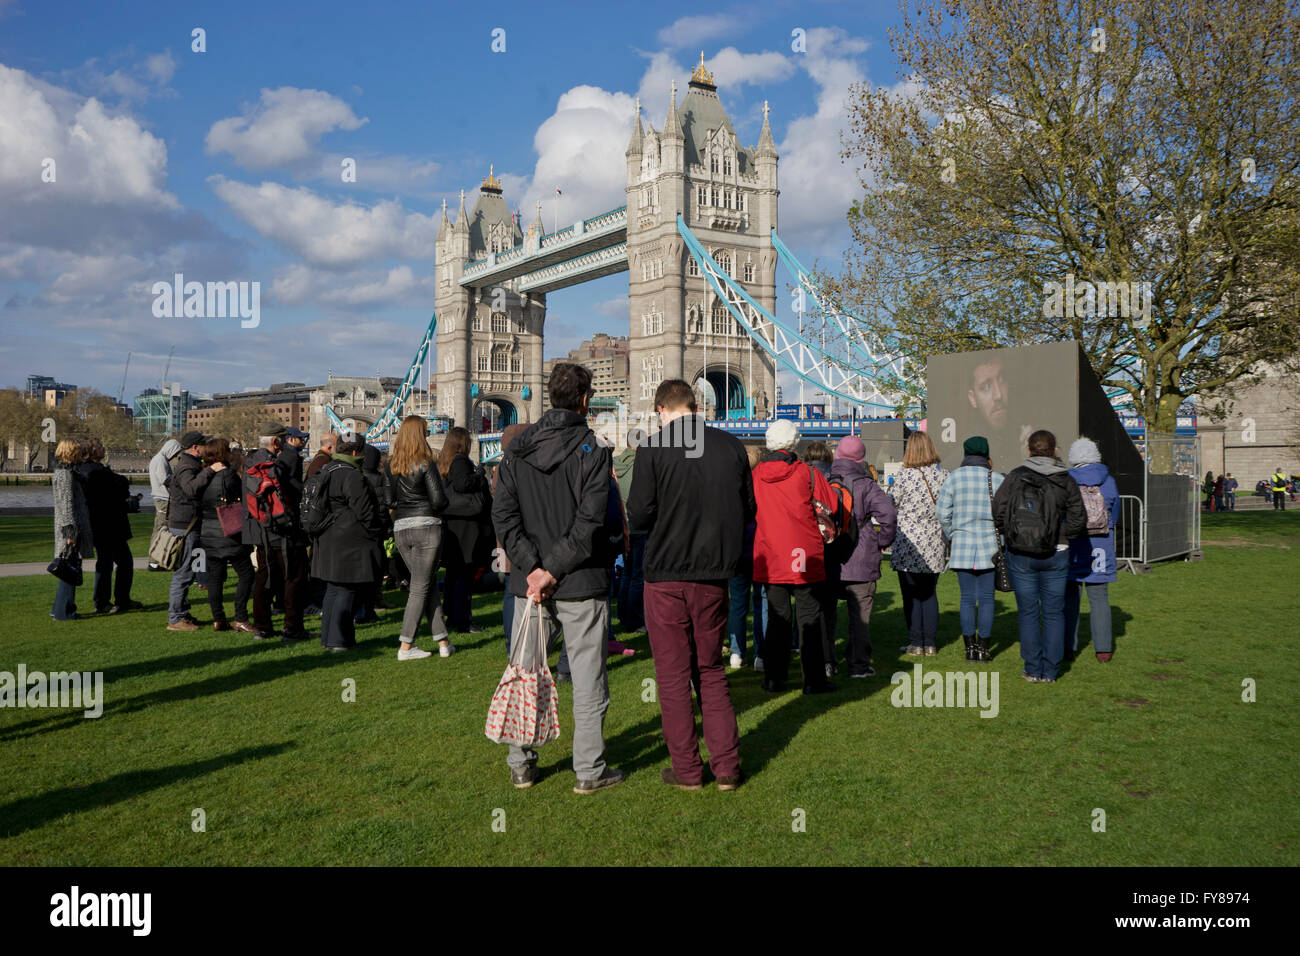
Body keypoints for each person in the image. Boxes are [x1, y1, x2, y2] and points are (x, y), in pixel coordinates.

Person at [491, 362, 624, 794]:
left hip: (529, 585)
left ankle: (521, 763)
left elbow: (504, 516)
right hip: (580, 579)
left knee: (524, 671)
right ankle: (589, 771)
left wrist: (532, 569)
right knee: (587, 680)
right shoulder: (594, 450)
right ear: (586, 400)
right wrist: (547, 569)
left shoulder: (516, 449)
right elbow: (589, 524)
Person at [626, 380, 751, 790]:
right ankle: (727, 767)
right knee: (711, 670)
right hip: (714, 573)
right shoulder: (731, 447)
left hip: (665, 575)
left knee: (674, 675)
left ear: (662, 409)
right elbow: (747, 508)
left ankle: (687, 770)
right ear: (696, 407)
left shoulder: (653, 449)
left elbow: (640, 515)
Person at [992, 429, 1087, 683]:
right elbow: (1079, 518)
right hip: (1058, 551)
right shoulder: (1065, 479)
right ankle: (1051, 670)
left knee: (1028, 612)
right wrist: (1062, 534)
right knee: (1054, 612)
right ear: (1055, 450)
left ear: (1029, 450)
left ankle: (1032, 668)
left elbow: (997, 509)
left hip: (1021, 552)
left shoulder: (1015, 476)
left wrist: (1011, 533)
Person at [752, 419, 839, 694]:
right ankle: (813, 680)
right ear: (794, 442)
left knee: (778, 618)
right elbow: (832, 504)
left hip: (770, 554)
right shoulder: (807, 474)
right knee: (809, 618)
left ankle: (774, 678)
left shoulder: (755, 476)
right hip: (804, 553)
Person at [386, 415, 454, 661]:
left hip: (402, 527)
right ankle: (406, 645)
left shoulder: (391, 465)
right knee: (419, 587)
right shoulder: (426, 463)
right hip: (426, 525)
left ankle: (443, 641)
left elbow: (389, 500)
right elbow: (438, 500)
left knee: (425, 583)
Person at [310, 434, 386, 652]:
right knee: (346, 591)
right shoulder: (352, 476)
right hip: (350, 540)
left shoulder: (327, 469)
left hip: (329, 537)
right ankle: (340, 640)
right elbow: (365, 511)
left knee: (334, 590)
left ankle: (329, 639)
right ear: (355, 452)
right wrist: (376, 531)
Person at [830, 434, 897, 677]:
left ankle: (828, 662)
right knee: (860, 617)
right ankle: (858, 664)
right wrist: (882, 541)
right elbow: (889, 514)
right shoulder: (867, 485)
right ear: (861, 458)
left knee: (826, 615)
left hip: (829, 558)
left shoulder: (824, 481)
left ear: (837, 455)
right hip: (861, 558)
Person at [936, 436, 1003, 663]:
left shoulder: (954, 478)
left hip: (962, 543)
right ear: (986, 453)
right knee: (986, 598)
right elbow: (1003, 515)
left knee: (966, 598)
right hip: (990, 546)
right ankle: (984, 648)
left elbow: (942, 513)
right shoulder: (997, 479)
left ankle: (969, 649)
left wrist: (953, 532)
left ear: (966, 453)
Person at [243, 422, 310, 643]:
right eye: (281, 438)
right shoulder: (276, 465)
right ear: (275, 441)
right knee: (294, 579)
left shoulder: (250, 463)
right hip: (283, 531)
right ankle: (293, 628)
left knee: (264, 578)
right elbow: (291, 496)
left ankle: (262, 627)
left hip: (260, 530)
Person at [889, 431, 950, 656]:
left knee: (912, 595)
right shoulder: (944, 475)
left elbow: (891, 503)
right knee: (929, 593)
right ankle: (930, 643)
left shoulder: (904, 476)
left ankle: (916, 642)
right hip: (934, 541)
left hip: (909, 542)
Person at [1064, 438, 1119, 663]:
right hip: (1102, 545)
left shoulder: (1066, 480)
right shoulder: (1109, 481)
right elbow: (1114, 514)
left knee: (1069, 598)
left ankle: (1068, 647)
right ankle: (1103, 649)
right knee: (1099, 599)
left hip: (1073, 543)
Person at [196, 438, 258, 634]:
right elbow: (242, 498)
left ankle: (218, 618)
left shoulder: (202, 477)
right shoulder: (229, 475)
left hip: (208, 531)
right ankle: (240, 616)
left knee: (215, 577)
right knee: (246, 574)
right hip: (229, 531)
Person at [166, 431, 222, 631]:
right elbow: (190, 489)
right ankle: (175, 618)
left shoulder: (189, 464)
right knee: (184, 572)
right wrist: (210, 471)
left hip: (188, 524)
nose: (207, 449)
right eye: (204, 445)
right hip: (185, 526)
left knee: (188, 571)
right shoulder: (186, 466)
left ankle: (182, 612)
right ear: (195, 447)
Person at [439, 427, 492, 633]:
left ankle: (452, 614)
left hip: (454, 525)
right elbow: (463, 484)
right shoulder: (461, 461)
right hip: (467, 527)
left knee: (454, 574)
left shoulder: (445, 461)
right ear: (463, 443)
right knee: (464, 576)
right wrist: (479, 475)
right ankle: (463, 619)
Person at [78, 437, 140, 614]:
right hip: (108, 523)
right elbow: (119, 486)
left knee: (117, 562)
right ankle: (104, 601)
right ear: (93, 452)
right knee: (113, 563)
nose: (103, 449)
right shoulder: (97, 472)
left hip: (103, 523)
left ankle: (117, 599)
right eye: (100, 447)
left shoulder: (88, 471)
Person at [803, 440, 841, 678]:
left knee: (808, 607)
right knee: (828, 608)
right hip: (831, 549)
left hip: (806, 548)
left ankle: (808, 654)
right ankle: (829, 660)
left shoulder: (802, 478)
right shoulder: (836, 482)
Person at [727, 445, 766, 670]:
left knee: (738, 603)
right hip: (759, 550)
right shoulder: (762, 484)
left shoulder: (731, 485)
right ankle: (760, 653)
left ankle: (737, 652)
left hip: (738, 549)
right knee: (761, 602)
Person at [493, 423, 530, 655]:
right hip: (517, 538)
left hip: (502, 539)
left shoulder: (499, 468)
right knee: (515, 591)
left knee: (509, 589)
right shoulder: (519, 467)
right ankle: (517, 642)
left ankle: (512, 644)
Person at [51, 437, 94, 621]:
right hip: (69, 528)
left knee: (67, 568)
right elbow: (66, 504)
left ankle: (59, 608)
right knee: (69, 569)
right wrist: (70, 532)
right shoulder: (65, 474)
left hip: (70, 526)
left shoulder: (68, 472)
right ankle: (65, 611)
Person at [351, 443, 391, 624]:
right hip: (375, 530)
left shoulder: (355, 476)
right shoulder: (379, 479)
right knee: (375, 569)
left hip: (358, 532)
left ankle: (362, 607)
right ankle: (369, 607)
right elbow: (383, 506)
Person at [612, 429, 647, 635]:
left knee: (627, 572)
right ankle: (634, 618)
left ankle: (624, 614)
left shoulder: (615, 464)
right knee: (638, 575)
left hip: (622, 526)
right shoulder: (642, 466)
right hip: (639, 525)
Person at [147, 438, 181, 571]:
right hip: (163, 498)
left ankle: (157, 560)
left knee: (161, 528)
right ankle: (154, 561)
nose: (174, 456)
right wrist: (178, 480)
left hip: (161, 497)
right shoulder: (160, 460)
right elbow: (164, 479)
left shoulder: (158, 459)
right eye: (175, 452)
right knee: (161, 528)